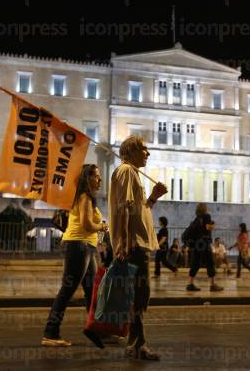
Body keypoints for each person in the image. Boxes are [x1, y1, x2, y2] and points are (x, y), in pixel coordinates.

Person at [108, 135, 168, 361]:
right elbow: (124, 208)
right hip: (134, 245)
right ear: (130, 151)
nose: (148, 153)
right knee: (140, 296)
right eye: (144, 149)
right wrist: (123, 243)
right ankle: (137, 344)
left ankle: (135, 344)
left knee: (138, 296)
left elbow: (139, 211)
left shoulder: (132, 174)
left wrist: (153, 197)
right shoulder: (126, 171)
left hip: (138, 244)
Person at [42, 164, 108, 348]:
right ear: (87, 178)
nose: (100, 179)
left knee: (91, 291)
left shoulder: (87, 198)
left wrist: (101, 237)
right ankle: (51, 332)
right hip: (78, 246)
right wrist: (102, 227)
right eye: (96, 176)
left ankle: (95, 329)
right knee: (67, 290)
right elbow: (88, 225)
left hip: (87, 246)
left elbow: (94, 226)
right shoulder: (85, 197)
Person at [186, 203, 224, 292]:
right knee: (210, 262)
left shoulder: (196, 219)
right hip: (204, 243)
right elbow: (208, 227)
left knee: (196, 264)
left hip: (196, 244)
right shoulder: (206, 216)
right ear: (205, 209)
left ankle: (190, 284)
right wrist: (213, 224)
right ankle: (212, 285)